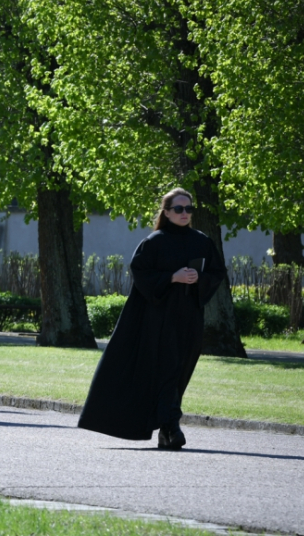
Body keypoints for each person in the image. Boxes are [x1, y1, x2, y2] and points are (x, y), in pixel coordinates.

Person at [79, 188, 227, 450]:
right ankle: (171, 425)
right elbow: (140, 273)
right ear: (167, 212)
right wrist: (172, 277)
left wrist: (198, 279)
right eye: (179, 209)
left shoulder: (202, 241)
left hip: (189, 317)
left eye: (189, 209)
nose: (185, 213)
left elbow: (216, 272)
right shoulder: (154, 242)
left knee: (181, 369)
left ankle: (167, 427)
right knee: (167, 368)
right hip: (158, 319)